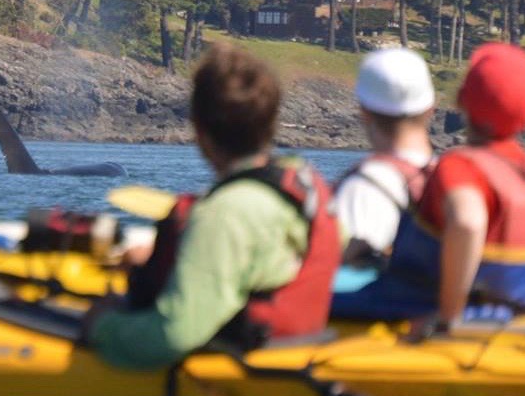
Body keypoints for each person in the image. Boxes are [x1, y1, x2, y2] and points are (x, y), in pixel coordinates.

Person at [84, 43, 341, 370]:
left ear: (201, 131)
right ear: (271, 122)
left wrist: (102, 325)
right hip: (300, 349)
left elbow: (173, 334)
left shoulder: (224, 214)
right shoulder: (308, 185)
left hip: (246, 364)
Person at [330, 43, 525, 327]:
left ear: (461, 103)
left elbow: (467, 221)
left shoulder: (460, 167)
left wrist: (448, 316)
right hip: (524, 319)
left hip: (424, 311)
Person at [332, 48, 437, 276]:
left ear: (364, 111)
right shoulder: (450, 179)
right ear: (430, 109)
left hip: (380, 311)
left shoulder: (365, 188)